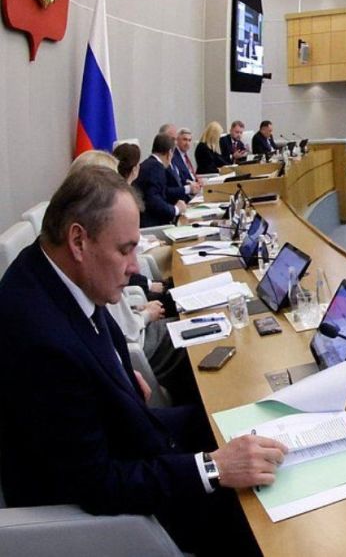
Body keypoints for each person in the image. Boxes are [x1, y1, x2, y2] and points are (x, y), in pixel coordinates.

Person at [0, 166, 287, 553]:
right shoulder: (41, 340)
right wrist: (214, 467)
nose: (135, 266)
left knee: (229, 415)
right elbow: (98, 486)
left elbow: (95, 363)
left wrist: (117, 381)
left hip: (128, 438)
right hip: (115, 519)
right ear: (78, 240)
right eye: (125, 249)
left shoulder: (54, 271)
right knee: (268, 520)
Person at [133, 133, 189, 226]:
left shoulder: (147, 164)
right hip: (152, 223)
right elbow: (153, 199)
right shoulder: (157, 167)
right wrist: (176, 209)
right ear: (169, 153)